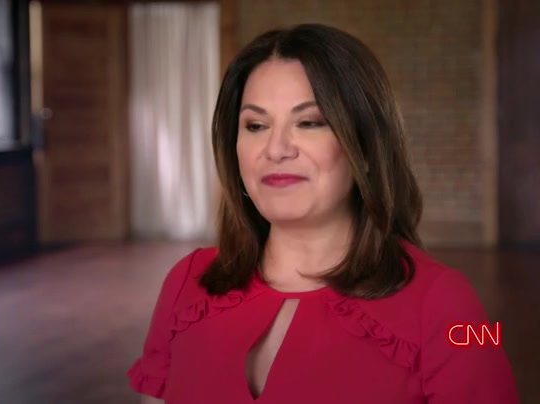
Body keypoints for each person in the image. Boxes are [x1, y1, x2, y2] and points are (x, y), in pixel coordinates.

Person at [126, 23, 519, 404]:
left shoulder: (453, 310)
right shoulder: (184, 284)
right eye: (256, 125)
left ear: (365, 147)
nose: (276, 149)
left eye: (309, 122)